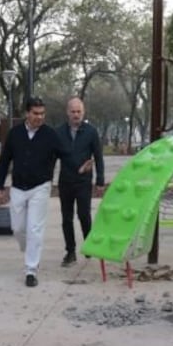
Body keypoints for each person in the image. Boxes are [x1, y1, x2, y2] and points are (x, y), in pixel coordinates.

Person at [0, 96, 71, 287]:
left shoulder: (50, 135)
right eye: (36, 113)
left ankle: (31, 270)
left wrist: (80, 166)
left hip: (41, 186)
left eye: (42, 114)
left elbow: (66, 155)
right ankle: (28, 248)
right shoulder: (15, 134)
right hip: (18, 187)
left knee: (35, 229)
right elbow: (4, 160)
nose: (39, 117)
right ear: (27, 113)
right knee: (18, 228)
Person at [55, 97, 104, 267]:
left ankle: (89, 245)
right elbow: (52, 157)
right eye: (73, 111)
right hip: (65, 181)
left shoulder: (91, 132)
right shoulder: (59, 132)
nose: (76, 114)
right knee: (66, 218)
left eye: (79, 111)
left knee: (84, 215)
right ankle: (70, 252)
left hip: (83, 182)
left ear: (83, 113)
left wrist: (100, 181)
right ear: (67, 112)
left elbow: (98, 157)